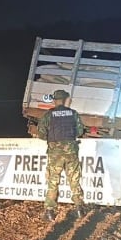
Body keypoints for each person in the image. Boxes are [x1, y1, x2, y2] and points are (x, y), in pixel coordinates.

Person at [37, 89, 85, 221]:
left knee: (53, 181)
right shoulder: (73, 113)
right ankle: (80, 209)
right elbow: (80, 131)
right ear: (65, 100)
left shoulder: (49, 115)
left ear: (54, 100)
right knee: (74, 179)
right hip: (71, 151)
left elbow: (40, 134)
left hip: (55, 153)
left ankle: (50, 212)